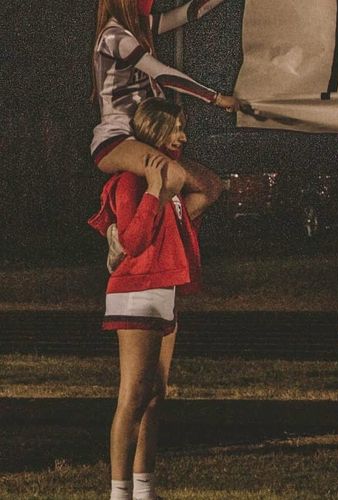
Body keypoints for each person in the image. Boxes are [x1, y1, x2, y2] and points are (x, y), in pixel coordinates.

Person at [88, 98, 203, 500]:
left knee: (155, 397)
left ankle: (144, 489)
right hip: (136, 291)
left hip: (162, 291)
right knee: (133, 398)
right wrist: (154, 188)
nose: (182, 137)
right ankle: (119, 494)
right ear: (155, 133)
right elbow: (133, 242)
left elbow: (209, 191)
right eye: (175, 129)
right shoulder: (129, 181)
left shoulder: (168, 179)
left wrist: (169, 185)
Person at [91, 0, 246, 219]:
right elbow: (164, 75)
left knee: (210, 187)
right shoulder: (114, 36)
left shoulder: (138, 27)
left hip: (147, 136)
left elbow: (188, 13)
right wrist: (215, 98)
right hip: (118, 138)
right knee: (173, 175)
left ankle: (162, 235)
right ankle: (130, 238)